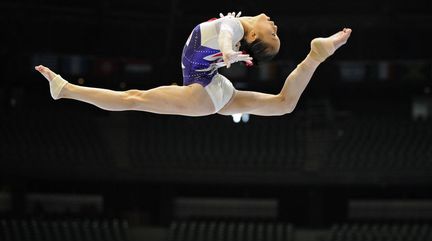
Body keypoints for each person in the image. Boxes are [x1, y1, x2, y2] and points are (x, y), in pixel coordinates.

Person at [35, 12, 352, 117]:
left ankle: (64, 89)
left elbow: (228, 32)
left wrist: (228, 50)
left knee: (133, 98)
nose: (275, 26)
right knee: (285, 104)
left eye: (273, 34)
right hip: (212, 85)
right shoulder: (234, 24)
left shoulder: (236, 28)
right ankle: (316, 55)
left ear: (253, 34)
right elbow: (226, 30)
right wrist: (226, 51)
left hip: (203, 90)